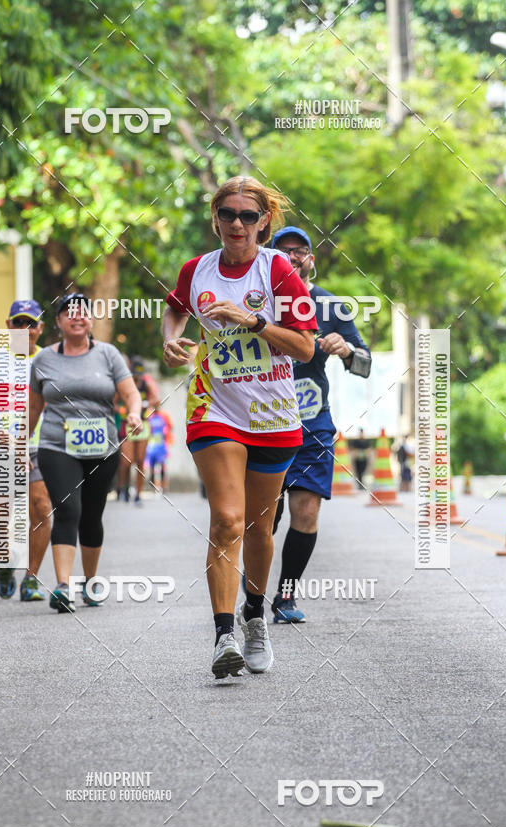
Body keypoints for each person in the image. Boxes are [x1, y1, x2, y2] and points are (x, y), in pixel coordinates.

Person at [163, 175, 316, 679]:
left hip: (272, 413)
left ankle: (256, 614)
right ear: (215, 219)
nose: (237, 224)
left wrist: (250, 322)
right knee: (227, 519)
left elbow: (305, 347)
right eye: (227, 214)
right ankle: (223, 634)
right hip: (216, 407)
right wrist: (171, 338)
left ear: (263, 222)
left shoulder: (277, 272)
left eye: (248, 216)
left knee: (258, 524)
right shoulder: (196, 270)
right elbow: (175, 308)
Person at [269, 226, 371, 622]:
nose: (293, 257)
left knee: (306, 512)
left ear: (311, 260)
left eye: (301, 251)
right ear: (271, 258)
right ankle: (253, 587)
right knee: (265, 517)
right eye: (284, 251)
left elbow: (364, 364)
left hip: (312, 422)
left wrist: (345, 350)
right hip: (262, 423)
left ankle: (286, 596)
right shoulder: (257, 301)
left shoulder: (329, 306)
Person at [29, 293, 142, 613]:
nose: (77, 317)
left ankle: (91, 582)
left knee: (92, 516)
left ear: (90, 320)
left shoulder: (108, 354)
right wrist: (21, 444)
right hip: (56, 445)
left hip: (101, 447)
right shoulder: (44, 360)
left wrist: (133, 413)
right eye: (69, 312)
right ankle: (63, 586)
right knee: (67, 510)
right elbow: (34, 408)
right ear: (59, 322)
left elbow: (130, 393)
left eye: (83, 312)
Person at [0, 301, 52, 601]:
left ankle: (31, 579)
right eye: (18, 323)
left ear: (40, 328)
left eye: (31, 324)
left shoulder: (49, 360)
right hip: (0, 448)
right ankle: (5, 563)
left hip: (38, 447)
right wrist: (0, 434)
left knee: (42, 508)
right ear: (8, 325)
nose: (24, 330)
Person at [116, 357, 159, 505]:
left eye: (139, 375)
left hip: (143, 425)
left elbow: (156, 400)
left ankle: (138, 494)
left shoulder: (146, 384)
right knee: (126, 461)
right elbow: (113, 402)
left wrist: (146, 403)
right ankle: (123, 488)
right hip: (127, 424)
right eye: (135, 374)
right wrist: (122, 410)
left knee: (140, 460)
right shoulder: (124, 383)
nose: (137, 377)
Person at [145, 403, 173, 492]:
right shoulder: (149, 416)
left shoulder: (164, 416)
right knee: (152, 466)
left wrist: (167, 437)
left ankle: (164, 487)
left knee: (162, 465)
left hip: (161, 445)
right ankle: (153, 486)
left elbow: (170, 427)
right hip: (151, 445)